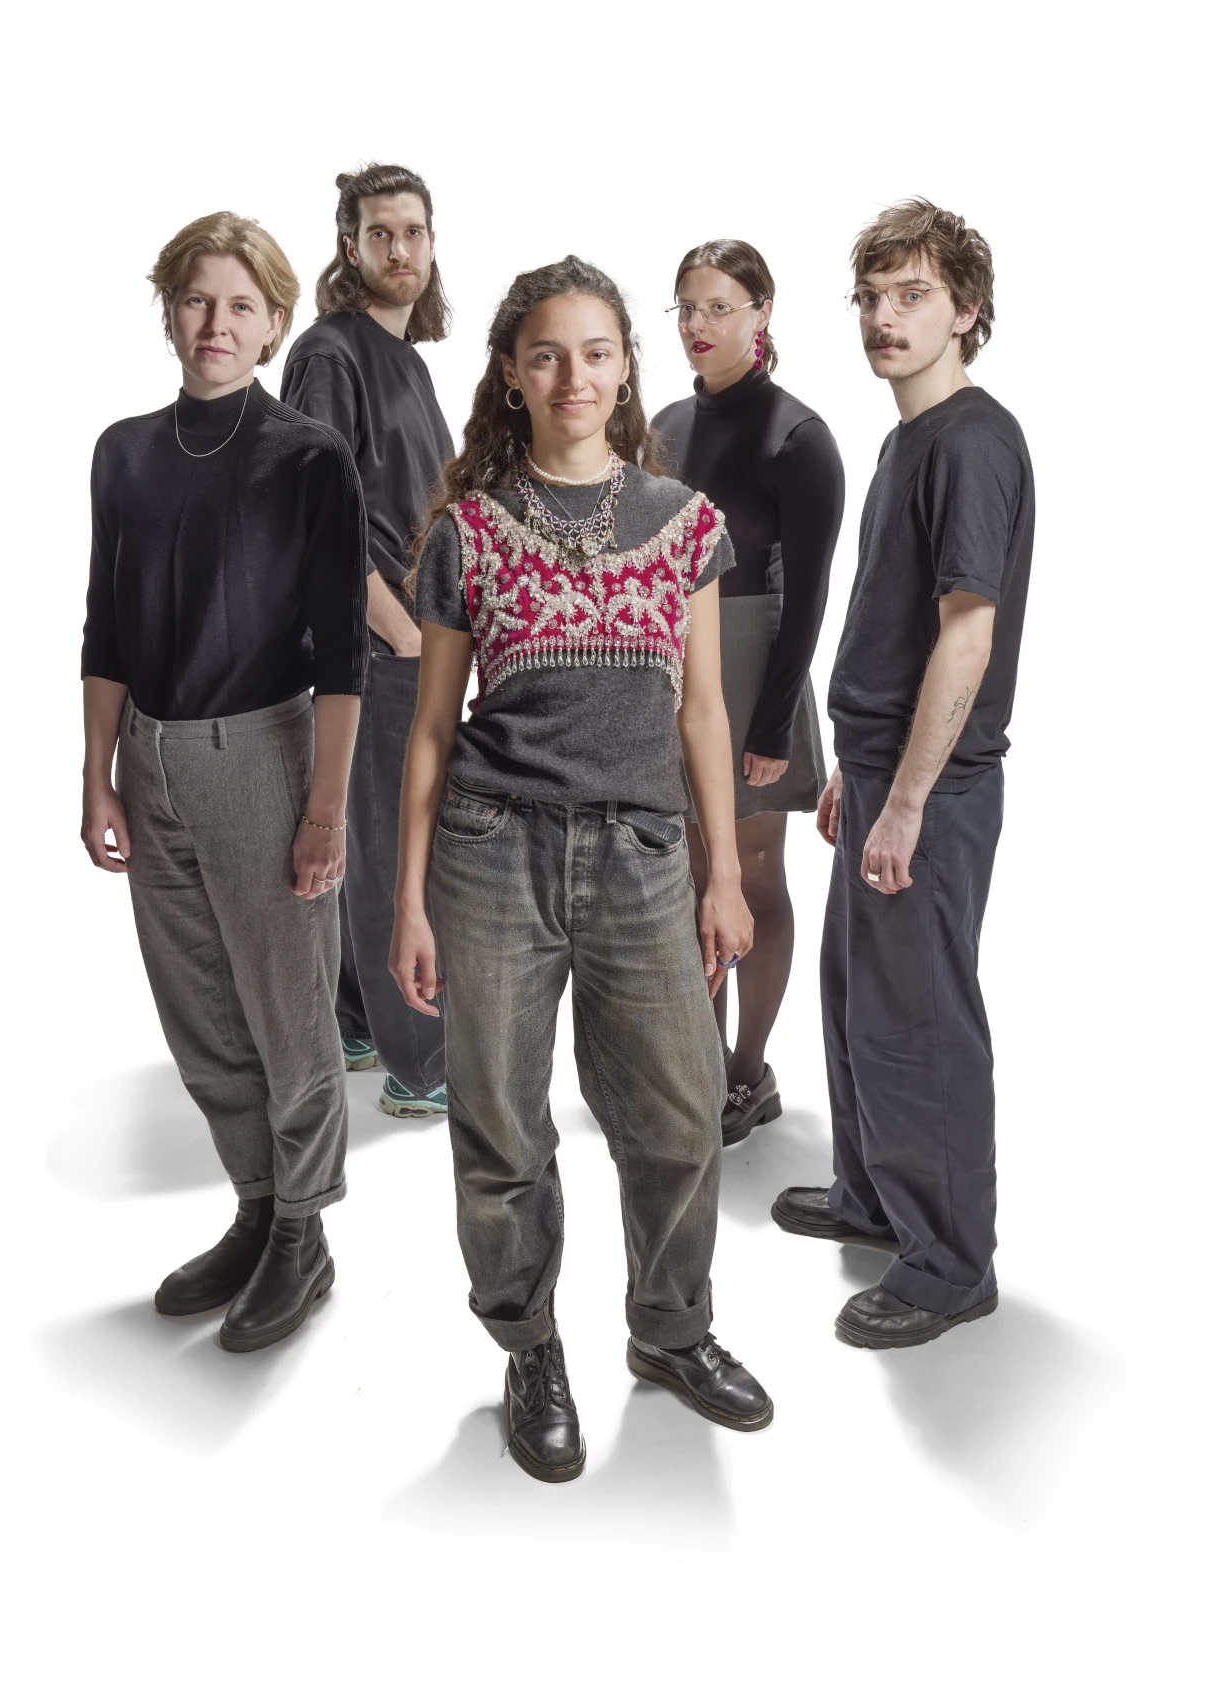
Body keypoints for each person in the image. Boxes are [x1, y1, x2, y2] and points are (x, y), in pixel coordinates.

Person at [390, 256, 774, 1483]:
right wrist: (404, 898)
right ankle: (529, 1346)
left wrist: (722, 874)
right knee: (501, 1130)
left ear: (625, 369)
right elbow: (432, 732)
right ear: (511, 371)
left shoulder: (684, 523)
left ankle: (669, 1332)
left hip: (646, 855)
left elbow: (703, 713)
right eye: (547, 353)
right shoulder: (467, 530)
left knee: (675, 1116)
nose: (573, 375)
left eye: (596, 352)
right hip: (491, 852)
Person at [80, 212, 366, 1352]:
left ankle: (305, 1231)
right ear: (168, 311)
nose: (216, 323)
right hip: (148, 755)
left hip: (262, 753)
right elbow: (104, 621)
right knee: (201, 1011)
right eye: (198, 300)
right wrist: (95, 773)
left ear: (274, 324)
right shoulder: (125, 451)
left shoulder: (307, 457)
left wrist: (326, 811)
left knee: (288, 1015)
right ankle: (254, 1206)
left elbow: (344, 652)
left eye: (241, 306)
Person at [772, 199, 1034, 1349]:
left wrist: (912, 798)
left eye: (912, 295)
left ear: (965, 309)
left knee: (920, 1021)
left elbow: (964, 637)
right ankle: (876, 1197)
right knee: (855, 1004)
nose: (883, 317)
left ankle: (946, 1262)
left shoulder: (972, 442)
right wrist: (862, 770)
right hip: (881, 770)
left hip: (932, 792)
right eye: (871, 298)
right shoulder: (901, 440)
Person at [653, 240, 844, 1144]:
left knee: (756, 876)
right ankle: (694, 1064)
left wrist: (772, 722)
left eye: (719, 307)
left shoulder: (797, 438)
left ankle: (744, 1074)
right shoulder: (660, 427)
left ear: (762, 311)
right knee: (690, 876)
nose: (698, 325)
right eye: (686, 307)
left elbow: (807, 597)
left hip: (755, 668)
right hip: (672, 672)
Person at [282, 163, 454, 1119]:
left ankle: (355, 1018)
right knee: (394, 845)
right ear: (351, 247)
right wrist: (399, 634)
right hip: (375, 646)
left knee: (376, 833)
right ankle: (424, 1061)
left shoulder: (411, 360)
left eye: (414, 232)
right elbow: (320, 518)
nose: (400, 250)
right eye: (380, 233)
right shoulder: (330, 354)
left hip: (417, 637)